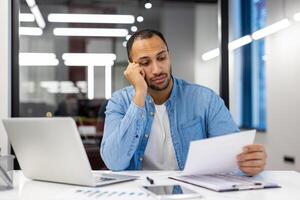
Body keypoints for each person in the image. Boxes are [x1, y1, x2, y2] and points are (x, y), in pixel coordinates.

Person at [100, 29, 266, 176]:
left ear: (169, 56)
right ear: (132, 67)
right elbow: (115, 162)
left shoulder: (205, 99)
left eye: (161, 57)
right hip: (139, 194)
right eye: (145, 63)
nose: (157, 69)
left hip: (190, 193)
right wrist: (140, 94)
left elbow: (233, 157)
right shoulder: (119, 102)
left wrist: (249, 163)